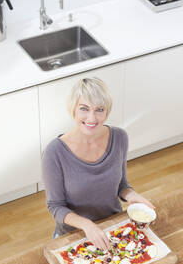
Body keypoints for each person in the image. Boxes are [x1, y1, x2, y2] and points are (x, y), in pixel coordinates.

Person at [42, 77, 154, 250]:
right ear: (73, 110)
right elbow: (55, 206)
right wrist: (87, 225)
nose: (92, 118)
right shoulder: (54, 152)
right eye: (84, 109)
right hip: (73, 235)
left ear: (107, 111)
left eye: (99, 109)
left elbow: (121, 184)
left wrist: (132, 196)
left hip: (112, 226)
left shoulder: (119, 137)